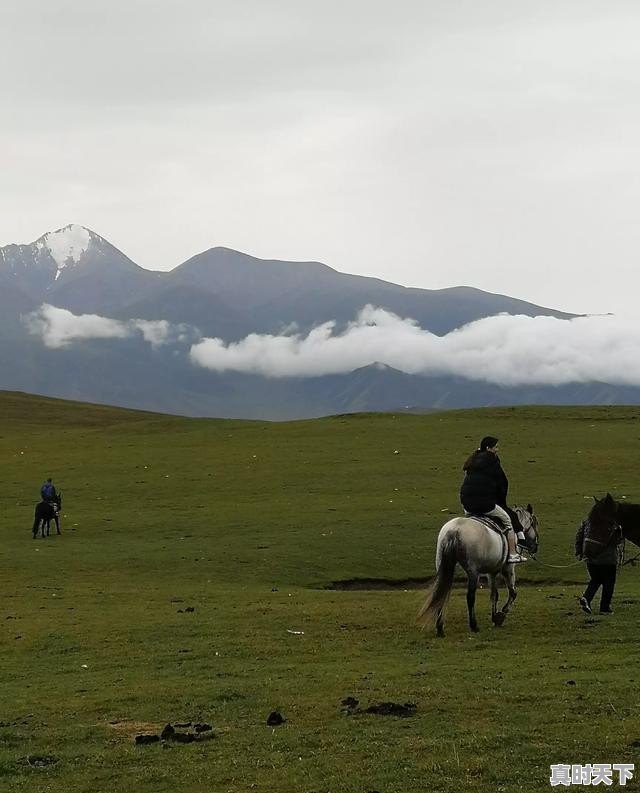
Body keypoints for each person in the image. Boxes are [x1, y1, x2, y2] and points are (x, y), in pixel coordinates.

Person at [460, 435, 527, 564]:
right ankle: (513, 554)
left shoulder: (472, 461)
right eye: (496, 447)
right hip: (485, 504)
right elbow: (501, 483)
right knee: (507, 521)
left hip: (467, 505)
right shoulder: (492, 461)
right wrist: (502, 503)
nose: (497, 450)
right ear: (488, 448)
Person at [575, 518, 623, 615]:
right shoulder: (612, 523)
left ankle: (586, 598)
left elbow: (579, 536)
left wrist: (579, 551)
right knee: (609, 583)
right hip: (608, 559)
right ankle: (604, 608)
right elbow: (617, 541)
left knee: (596, 579)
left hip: (590, 559)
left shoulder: (587, 521)